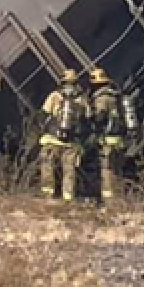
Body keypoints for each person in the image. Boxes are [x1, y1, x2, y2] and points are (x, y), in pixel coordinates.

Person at [39, 69, 90, 201]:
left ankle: (47, 195)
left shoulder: (54, 95)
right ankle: (68, 197)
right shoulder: (82, 98)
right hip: (71, 143)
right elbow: (87, 119)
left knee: (47, 167)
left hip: (52, 140)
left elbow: (43, 115)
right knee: (69, 170)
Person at [89, 68, 125, 200]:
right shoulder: (115, 96)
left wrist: (91, 118)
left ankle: (109, 201)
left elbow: (100, 118)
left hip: (107, 141)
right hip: (118, 140)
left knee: (107, 171)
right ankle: (119, 197)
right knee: (117, 170)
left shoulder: (101, 99)